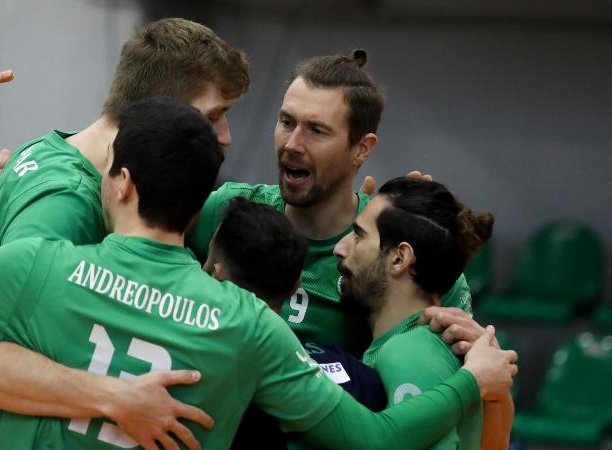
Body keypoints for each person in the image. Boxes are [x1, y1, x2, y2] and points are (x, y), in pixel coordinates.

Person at [0, 97, 516, 449]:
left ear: (121, 182)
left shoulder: (38, 268)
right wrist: (475, 384)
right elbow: (378, 439)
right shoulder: (250, 328)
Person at [0, 17, 249, 450]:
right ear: (162, 112)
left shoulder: (44, 151)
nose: (225, 136)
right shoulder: (67, 202)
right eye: (214, 116)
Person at [188, 50, 478, 360]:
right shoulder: (226, 211)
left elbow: (479, 374)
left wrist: (476, 353)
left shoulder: (392, 248)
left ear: (362, 148)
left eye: (316, 130)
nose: (292, 144)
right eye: (287, 122)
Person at [335, 177, 515, 449]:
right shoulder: (411, 346)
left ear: (399, 258)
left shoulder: (408, 353)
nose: (339, 248)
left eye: (359, 235)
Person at [204, 197, 387, 450]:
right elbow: (385, 435)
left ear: (216, 276)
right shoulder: (362, 379)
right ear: (296, 286)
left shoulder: (193, 361)